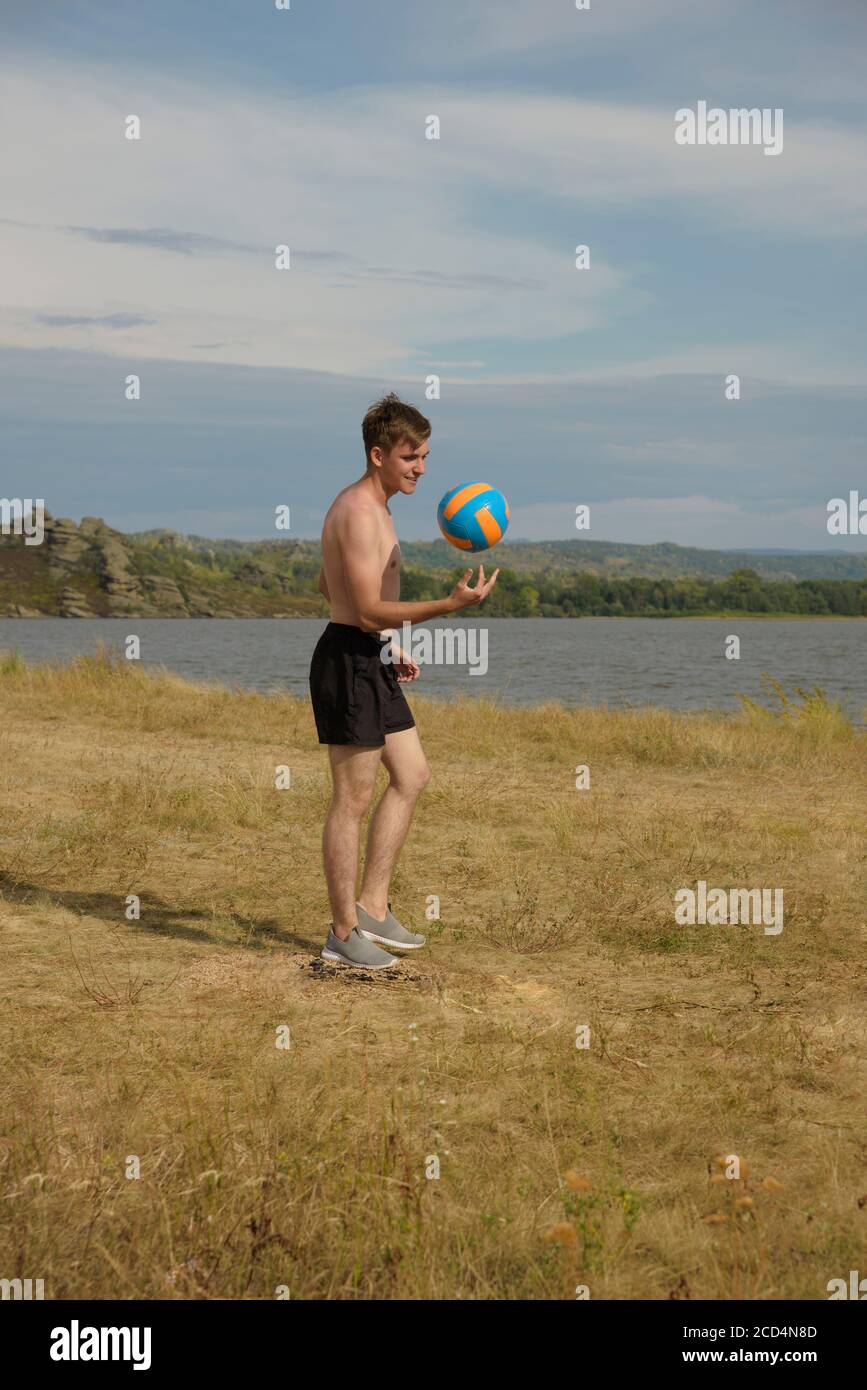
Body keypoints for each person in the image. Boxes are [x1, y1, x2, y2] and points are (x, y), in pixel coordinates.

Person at [310, 393, 499, 969]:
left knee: (412, 775)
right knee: (352, 800)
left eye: (424, 455)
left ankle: (372, 907)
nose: (420, 467)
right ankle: (343, 936)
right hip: (347, 661)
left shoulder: (376, 506)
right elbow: (363, 606)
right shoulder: (361, 512)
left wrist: (387, 646)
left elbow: (327, 585)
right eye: (410, 456)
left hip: (368, 654)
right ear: (378, 454)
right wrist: (449, 603)